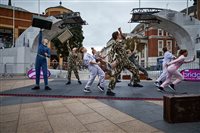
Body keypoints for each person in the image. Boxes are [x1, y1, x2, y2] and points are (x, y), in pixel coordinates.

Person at [107, 28, 143, 96]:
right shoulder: (115, 43)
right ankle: (109, 90)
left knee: (135, 69)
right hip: (120, 61)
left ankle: (135, 83)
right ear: (117, 36)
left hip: (126, 60)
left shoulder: (121, 42)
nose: (120, 35)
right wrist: (111, 62)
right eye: (119, 34)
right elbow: (112, 52)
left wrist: (120, 31)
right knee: (115, 75)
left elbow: (125, 38)